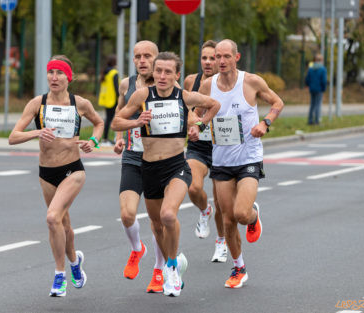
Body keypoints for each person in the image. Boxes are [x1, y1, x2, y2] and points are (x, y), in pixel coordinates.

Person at [112, 51, 221, 297]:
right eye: (158, 71)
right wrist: (136, 122)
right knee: (157, 225)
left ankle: (171, 268)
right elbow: (116, 122)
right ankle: (174, 261)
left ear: (177, 75)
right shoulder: (142, 96)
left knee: (168, 215)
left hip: (176, 166)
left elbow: (214, 104)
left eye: (168, 72)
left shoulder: (184, 97)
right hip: (148, 167)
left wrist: (200, 126)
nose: (162, 76)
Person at [8, 55, 104, 297]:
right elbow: (13, 137)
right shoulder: (37, 104)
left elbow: (99, 123)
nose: (54, 77)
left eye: (59, 73)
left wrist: (93, 141)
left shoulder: (79, 103)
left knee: (52, 218)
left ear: (68, 78)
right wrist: (36, 133)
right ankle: (75, 262)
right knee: (62, 223)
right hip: (46, 172)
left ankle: (59, 275)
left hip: (72, 169)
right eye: (50, 72)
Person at [200, 39, 283, 289]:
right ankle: (239, 268)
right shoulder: (207, 85)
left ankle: (253, 216)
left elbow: (277, 103)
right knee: (227, 221)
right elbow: (196, 112)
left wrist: (264, 123)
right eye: (217, 57)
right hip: (222, 160)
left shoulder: (251, 82)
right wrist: (198, 126)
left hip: (248, 157)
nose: (221, 61)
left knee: (241, 214)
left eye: (226, 56)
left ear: (236, 58)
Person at [112, 40, 167, 293]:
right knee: (127, 214)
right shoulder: (127, 84)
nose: (142, 60)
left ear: (157, 59)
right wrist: (119, 136)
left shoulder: (169, 87)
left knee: (158, 220)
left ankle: (159, 269)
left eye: (147, 56)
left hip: (160, 159)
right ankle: (137, 249)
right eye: (137, 56)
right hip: (133, 156)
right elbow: (119, 114)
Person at [184, 40, 227, 263]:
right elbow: (186, 108)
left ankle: (221, 241)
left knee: (222, 203)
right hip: (199, 145)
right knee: (193, 187)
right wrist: (193, 122)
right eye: (205, 58)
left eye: (213, 58)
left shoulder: (228, 81)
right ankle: (204, 210)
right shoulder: (192, 81)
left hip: (222, 144)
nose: (209, 62)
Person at [98, 55, 119, 145]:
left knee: (108, 119)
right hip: (113, 100)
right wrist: (120, 98)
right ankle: (115, 139)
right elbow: (116, 87)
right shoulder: (114, 73)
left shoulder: (105, 72)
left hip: (106, 99)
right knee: (116, 118)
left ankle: (105, 139)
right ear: (115, 62)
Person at [305, 53, 327, 125]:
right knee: (318, 105)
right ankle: (317, 121)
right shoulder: (323, 69)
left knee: (312, 104)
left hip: (312, 89)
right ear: (321, 60)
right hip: (319, 89)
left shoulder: (311, 68)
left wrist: (309, 85)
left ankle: (310, 120)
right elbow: (324, 81)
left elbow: (307, 79)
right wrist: (323, 89)